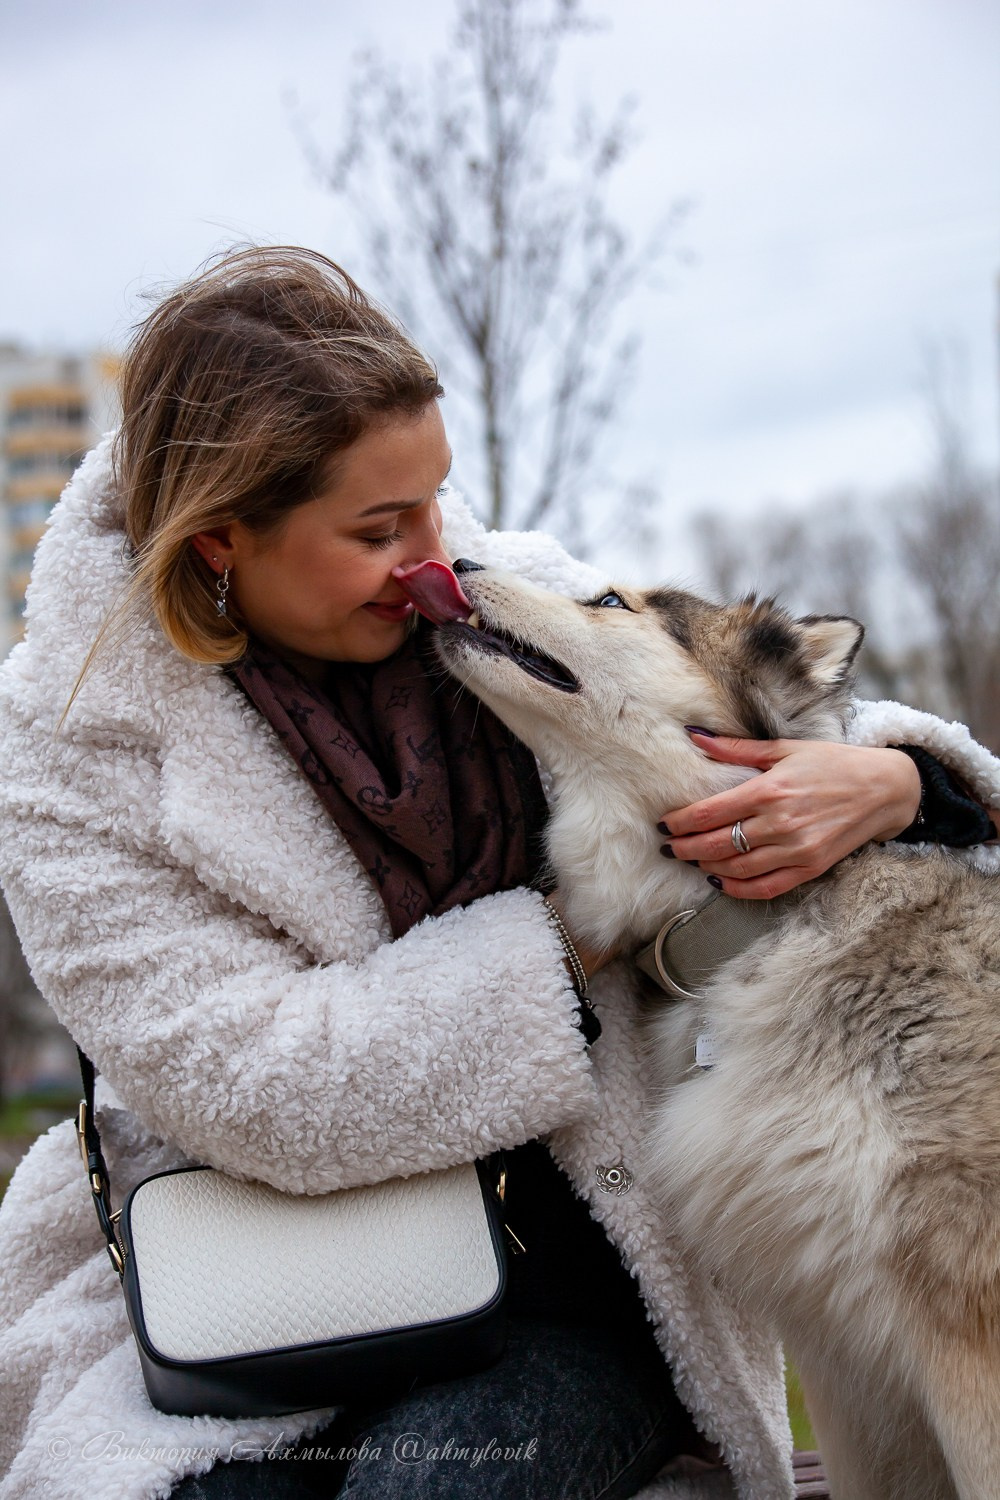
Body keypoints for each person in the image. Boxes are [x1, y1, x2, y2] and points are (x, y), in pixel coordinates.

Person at [0, 246, 997, 1500]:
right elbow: (260, 1087)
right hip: (246, 1299)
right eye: (379, 528)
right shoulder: (62, 754)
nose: (435, 555)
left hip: (563, 1285)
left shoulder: (485, 599)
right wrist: (570, 943)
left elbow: (724, 695)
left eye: (436, 499)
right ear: (219, 546)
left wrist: (905, 782)